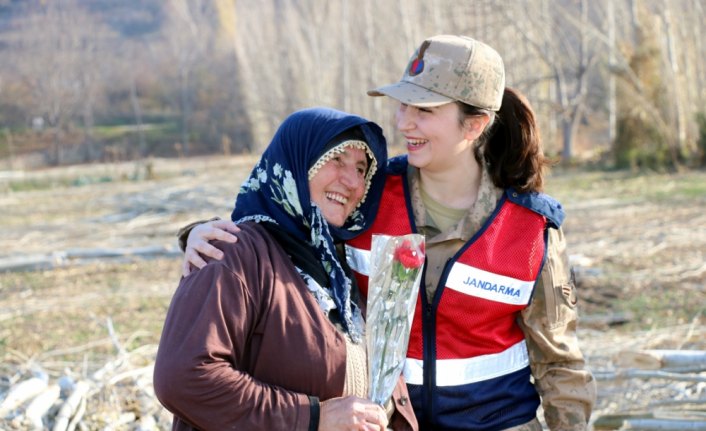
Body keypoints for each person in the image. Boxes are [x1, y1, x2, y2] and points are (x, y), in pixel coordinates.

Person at [180, 35, 597, 431]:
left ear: (475, 125)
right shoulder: (369, 198)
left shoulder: (532, 230)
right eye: (403, 106)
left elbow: (560, 365)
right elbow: (286, 226)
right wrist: (205, 235)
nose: (404, 123)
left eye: (424, 110)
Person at [154, 107, 418, 431]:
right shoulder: (232, 253)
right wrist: (312, 418)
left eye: (362, 169)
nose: (352, 181)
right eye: (337, 159)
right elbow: (184, 378)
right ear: (297, 162)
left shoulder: (337, 267)